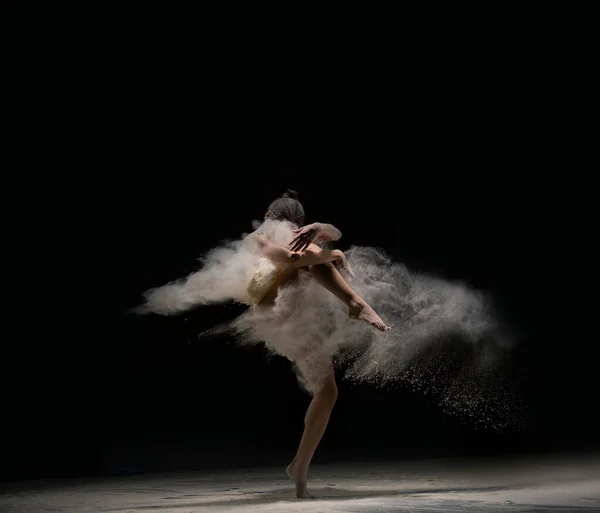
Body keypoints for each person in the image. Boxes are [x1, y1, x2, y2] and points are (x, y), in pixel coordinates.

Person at [245, 190, 389, 498]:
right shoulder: (256, 237)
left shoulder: (302, 235)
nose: (289, 233)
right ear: (269, 218)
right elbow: (290, 257)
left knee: (328, 392)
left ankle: (299, 467)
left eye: (295, 227)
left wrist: (318, 226)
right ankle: (355, 304)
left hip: (297, 318)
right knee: (315, 255)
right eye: (284, 225)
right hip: (271, 311)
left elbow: (335, 233)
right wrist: (333, 254)